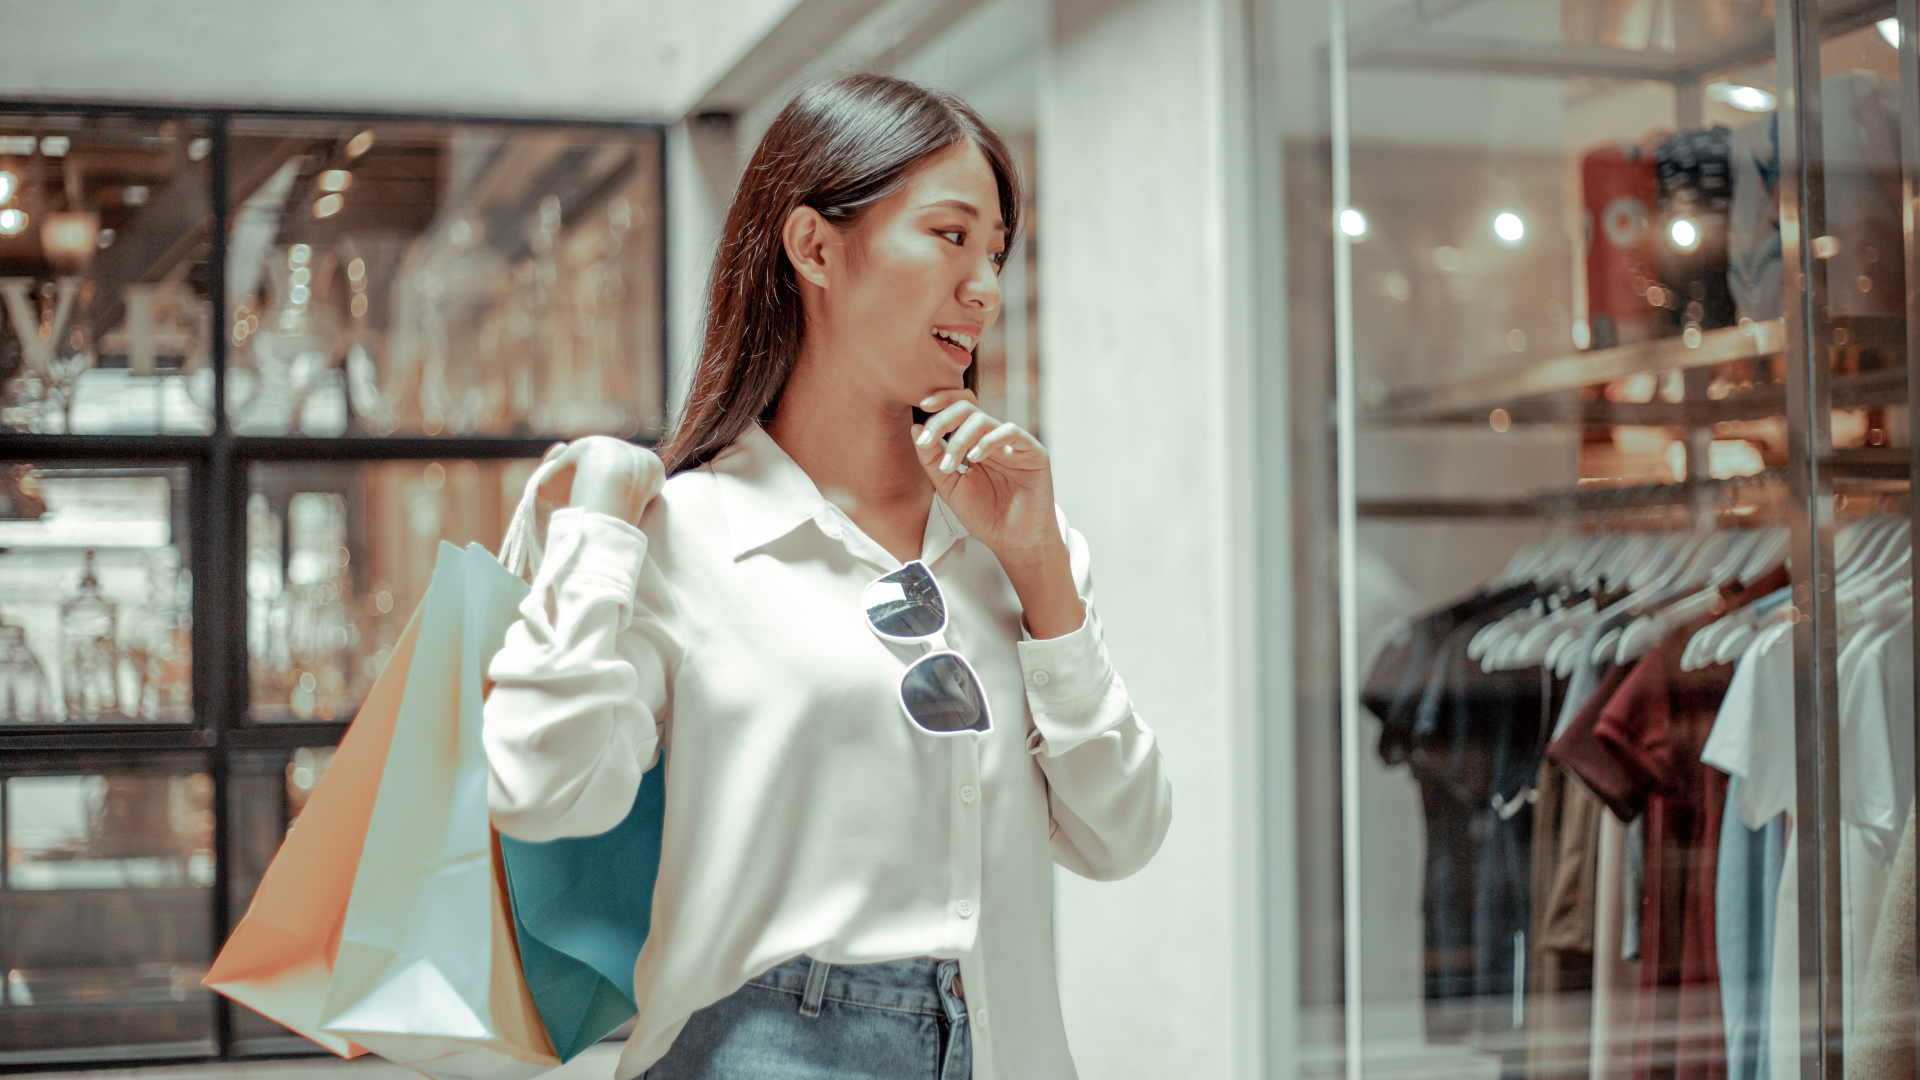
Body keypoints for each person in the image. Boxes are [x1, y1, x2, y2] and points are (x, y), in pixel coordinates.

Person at [481, 73, 1172, 1080]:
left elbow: (1122, 836)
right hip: (759, 1046)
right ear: (813, 246)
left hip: (1005, 1046)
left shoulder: (1018, 540)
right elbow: (542, 791)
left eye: (996, 254)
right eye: (949, 236)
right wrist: (594, 533)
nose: (983, 285)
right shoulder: (681, 532)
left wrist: (1040, 574)